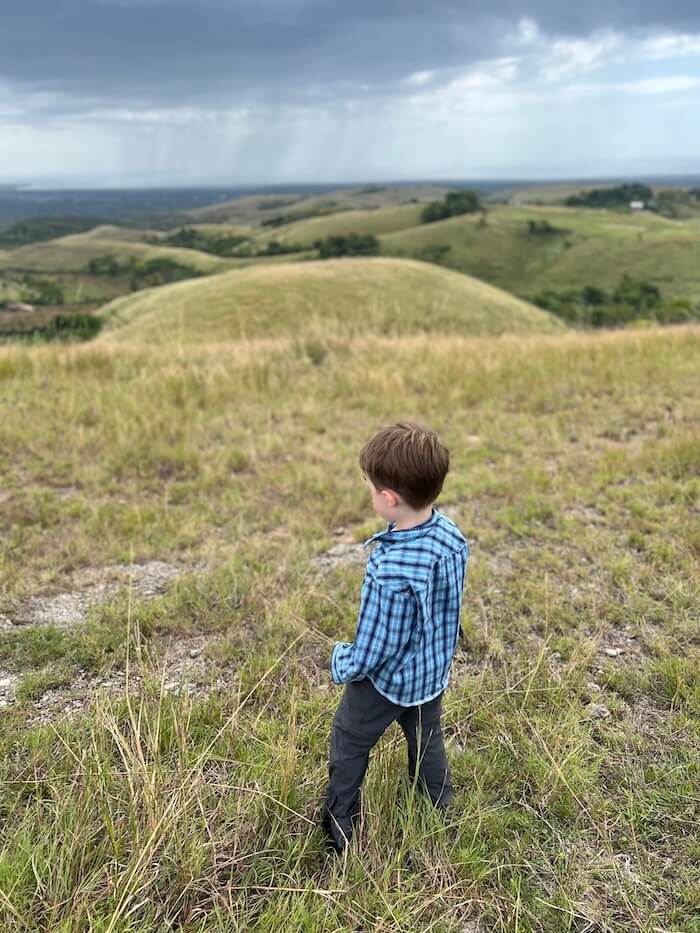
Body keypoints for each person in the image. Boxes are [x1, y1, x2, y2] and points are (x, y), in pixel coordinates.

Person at [321, 422, 469, 853]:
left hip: (387, 682)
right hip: (431, 672)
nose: (370, 495)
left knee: (349, 742)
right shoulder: (451, 536)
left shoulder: (390, 571)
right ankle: (435, 805)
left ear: (389, 499)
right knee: (427, 738)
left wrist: (343, 662)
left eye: (370, 488)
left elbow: (375, 647)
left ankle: (340, 826)